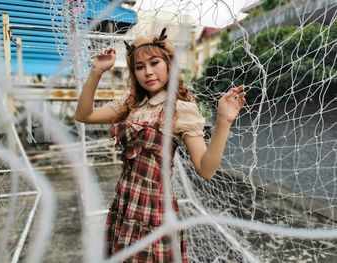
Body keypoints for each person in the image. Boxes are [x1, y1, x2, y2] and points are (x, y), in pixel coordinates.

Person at [75, 28, 246, 262]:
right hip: (124, 201)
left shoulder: (180, 109)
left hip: (154, 207)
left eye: (154, 62)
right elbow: (84, 115)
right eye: (139, 66)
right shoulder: (131, 105)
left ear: (169, 64)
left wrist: (224, 121)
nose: (148, 72)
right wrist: (96, 71)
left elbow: (206, 169)